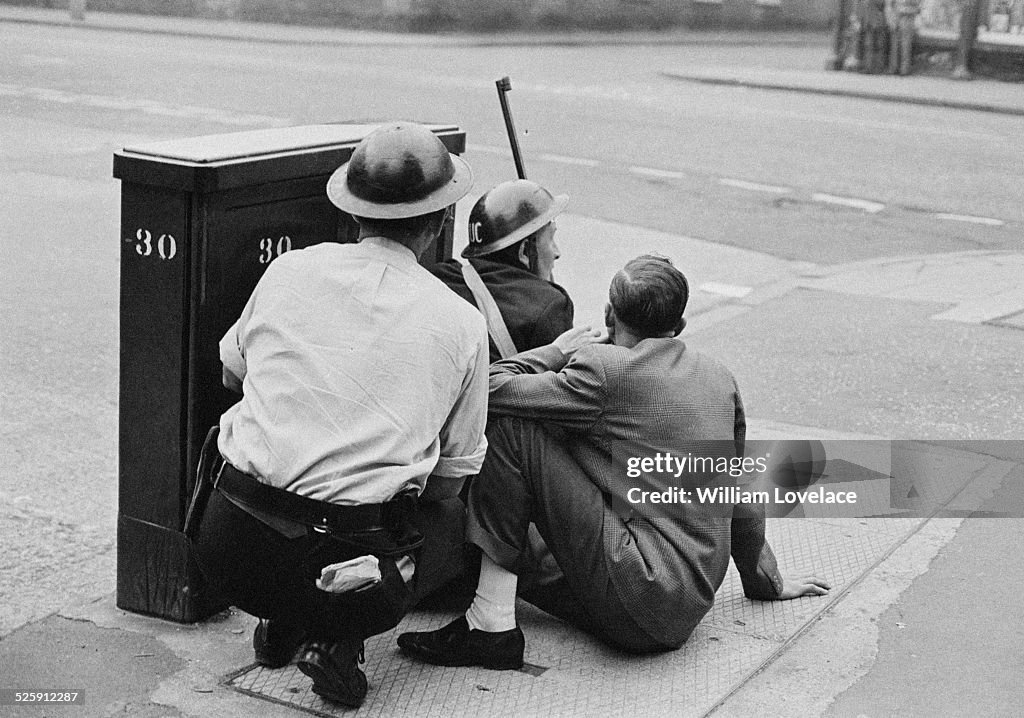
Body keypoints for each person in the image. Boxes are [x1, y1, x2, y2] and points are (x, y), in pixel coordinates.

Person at [397, 255, 830, 666]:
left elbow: (489, 387)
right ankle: (484, 593)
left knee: (515, 430)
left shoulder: (602, 370)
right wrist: (765, 582)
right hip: (687, 604)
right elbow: (737, 491)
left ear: (609, 314)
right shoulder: (718, 377)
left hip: (637, 597)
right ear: (678, 326)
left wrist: (555, 351)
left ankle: (488, 625)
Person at [189, 121, 489, 707]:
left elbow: (231, 373)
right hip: (348, 570)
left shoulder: (289, 270)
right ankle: (337, 639)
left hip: (226, 546)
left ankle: (284, 622)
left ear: (354, 213)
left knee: (277, 494)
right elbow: (452, 479)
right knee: (446, 523)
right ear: (437, 222)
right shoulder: (462, 323)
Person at [429, 179, 573, 363]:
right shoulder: (550, 306)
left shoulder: (440, 278)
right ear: (524, 252)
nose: (556, 252)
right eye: (551, 239)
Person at [887, 0, 920, 75]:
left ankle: (904, 69)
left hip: (907, 18)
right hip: (895, 16)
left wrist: (906, 9)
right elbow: (890, 4)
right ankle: (893, 68)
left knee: (905, 45)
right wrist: (891, 17)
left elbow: (918, 7)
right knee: (894, 45)